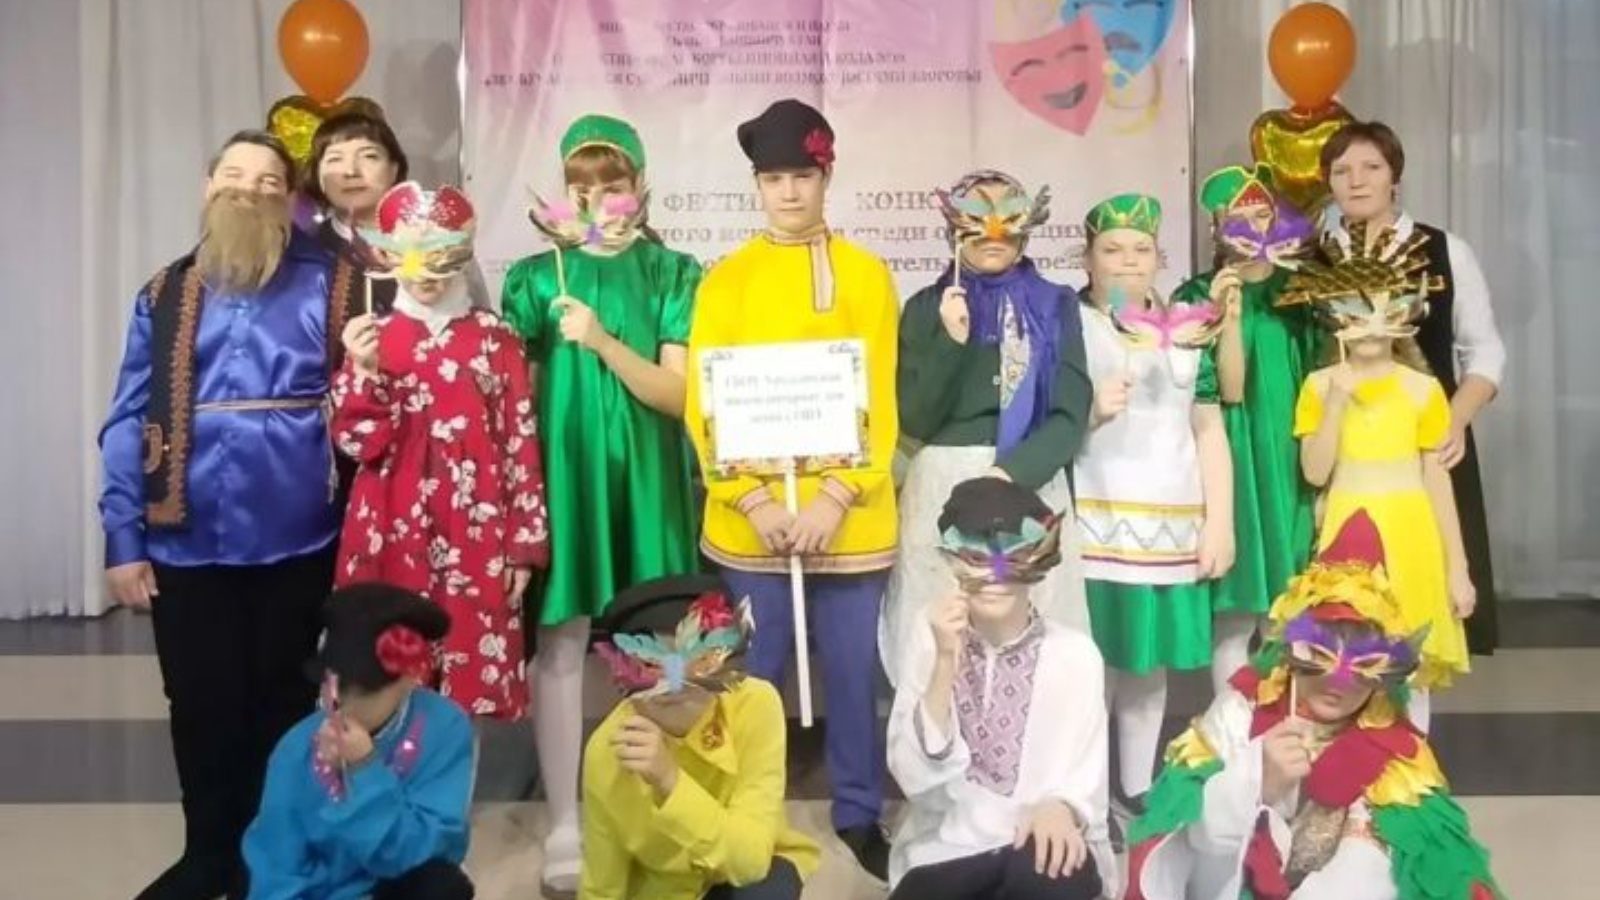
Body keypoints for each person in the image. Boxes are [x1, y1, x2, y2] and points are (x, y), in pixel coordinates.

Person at [99, 129, 361, 900]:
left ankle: (268, 855)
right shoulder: (165, 293)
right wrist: (122, 536)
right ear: (208, 186)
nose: (249, 190)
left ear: (290, 198)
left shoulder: (335, 284)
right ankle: (207, 853)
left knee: (284, 699)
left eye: (268, 180)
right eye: (234, 175)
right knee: (198, 702)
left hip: (302, 532)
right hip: (183, 536)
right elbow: (127, 419)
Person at [683, 98, 900, 879]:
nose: (788, 192)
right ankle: (748, 814)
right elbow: (706, 400)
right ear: (756, 185)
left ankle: (859, 809)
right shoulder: (726, 280)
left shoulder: (866, 275)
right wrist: (756, 500)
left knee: (852, 668)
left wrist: (837, 495)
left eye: (801, 176)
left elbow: (881, 391)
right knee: (752, 673)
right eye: (772, 178)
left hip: (850, 516)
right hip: (755, 520)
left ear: (825, 176)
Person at [501, 113, 703, 895]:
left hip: (649, 484)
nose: (594, 200)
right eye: (578, 186)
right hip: (566, 482)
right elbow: (514, 400)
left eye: (611, 184)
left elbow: (677, 395)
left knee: (660, 647)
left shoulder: (673, 272)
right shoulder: (534, 278)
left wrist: (602, 342)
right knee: (560, 644)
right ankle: (565, 820)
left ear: (640, 186)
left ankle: (657, 808)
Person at [1123, 510, 1505, 900]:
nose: (1337, 681)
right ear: (1291, 648)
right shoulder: (1239, 712)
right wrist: (1257, 780)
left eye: (1363, 664)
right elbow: (1192, 842)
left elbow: (1381, 873)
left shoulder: (1394, 751)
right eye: (1319, 654)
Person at [331, 182, 549, 720]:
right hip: (390, 521)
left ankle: (452, 778)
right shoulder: (371, 336)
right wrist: (363, 372)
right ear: (387, 256)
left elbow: (519, 441)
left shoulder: (496, 339)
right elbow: (360, 443)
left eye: (440, 255)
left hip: (475, 529)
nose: (425, 272)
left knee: (465, 681)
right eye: (410, 255)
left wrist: (523, 547)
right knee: (385, 676)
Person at [885, 168, 1092, 686]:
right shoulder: (925, 307)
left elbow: (1071, 411)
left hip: (1030, 482)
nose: (994, 232)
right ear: (953, 229)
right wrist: (950, 344)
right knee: (941, 630)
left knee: (1035, 633)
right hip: (942, 487)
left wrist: (1012, 473)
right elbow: (915, 417)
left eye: (1008, 217)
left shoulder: (1056, 305)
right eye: (978, 217)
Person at [1072, 194, 1234, 823]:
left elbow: (1209, 428)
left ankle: (1135, 788)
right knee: (1095, 667)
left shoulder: (1190, 330)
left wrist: (1219, 522)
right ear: (1087, 259)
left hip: (1172, 524)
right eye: (1112, 249)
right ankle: (1085, 795)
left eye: (1141, 250)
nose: (1127, 261)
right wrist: (1091, 410)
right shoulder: (1072, 326)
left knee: (1149, 664)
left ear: (1159, 258)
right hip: (1096, 522)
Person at [1319, 120, 1505, 655]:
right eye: (1342, 170)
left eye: (1371, 167)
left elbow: (1485, 351)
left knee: (1426, 598)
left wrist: (1455, 419)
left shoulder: (1445, 250)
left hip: (1426, 443)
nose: (1357, 180)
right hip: (1339, 444)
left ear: (1394, 177)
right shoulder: (1314, 258)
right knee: (1338, 612)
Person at [1283, 219, 1476, 729]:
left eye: (1383, 306)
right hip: (1347, 536)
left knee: (1410, 664)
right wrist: (1336, 403)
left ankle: (1410, 765)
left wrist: (1458, 568)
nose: (1369, 324)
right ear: (1334, 315)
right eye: (1354, 307)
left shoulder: (1422, 390)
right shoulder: (1319, 386)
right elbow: (1315, 471)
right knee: (1345, 658)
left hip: (1412, 537)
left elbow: (1438, 480)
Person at [886, 476, 1112, 900]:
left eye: (1013, 557)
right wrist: (945, 660)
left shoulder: (1076, 656)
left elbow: (1087, 776)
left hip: (1037, 843)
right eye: (976, 556)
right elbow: (914, 779)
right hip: (949, 847)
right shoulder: (929, 635)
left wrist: (1063, 807)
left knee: (1050, 877)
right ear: (952, 559)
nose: (994, 575)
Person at [1173, 165, 1319, 694]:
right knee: (1234, 617)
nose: (1253, 228)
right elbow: (1223, 391)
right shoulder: (1195, 293)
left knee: (1291, 607)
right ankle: (1231, 725)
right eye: (1239, 218)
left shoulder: (1302, 292)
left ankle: (1290, 721)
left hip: (1290, 457)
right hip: (1227, 456)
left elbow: (1323, 378)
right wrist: (1224, 315)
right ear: (1216, 228)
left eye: (1263, 215)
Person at [581, 587, 821, 900]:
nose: (675, 684)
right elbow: (602, 886)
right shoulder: (608, 750)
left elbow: (750, 864)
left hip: (739, 874)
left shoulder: (755, 705)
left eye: (698, 660)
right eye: (651, 664)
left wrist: (670, 781)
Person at [242, 582, 476, 900]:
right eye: (334, 688)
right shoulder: (295, 749)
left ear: (409, 679)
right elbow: (277, 866)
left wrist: (364, 769)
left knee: (442, 885)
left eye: (365, 692)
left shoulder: (443, 727)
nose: (343, 707)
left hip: (396, 883)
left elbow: (429, 852)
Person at [303, 106, 408, 314]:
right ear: (319, 177)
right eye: (335, 159)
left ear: (394, 170)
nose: (351, 171)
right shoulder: (302, 251)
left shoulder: (431, 242)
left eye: (368, 156)